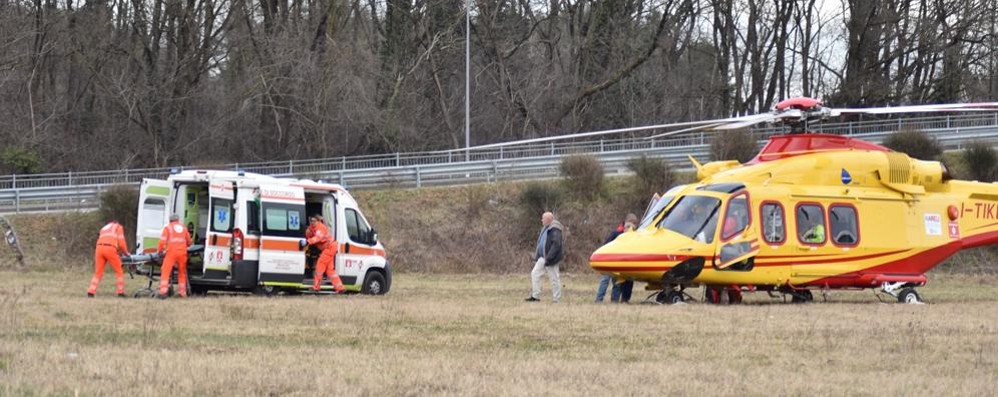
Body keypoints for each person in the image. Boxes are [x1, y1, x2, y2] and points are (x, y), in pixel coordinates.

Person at [596, 214, 637, 303]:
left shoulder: (631, 237)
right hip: (608, 262)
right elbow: (605, 246)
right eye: (629, 226)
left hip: (618, 264)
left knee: (617, 284)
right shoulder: (616, 234)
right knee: (605, 281)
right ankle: (599, 300)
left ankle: (614, 301)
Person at [526, 212, 564, 303]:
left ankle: (556, 299)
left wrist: (549, 257)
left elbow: (556, 245)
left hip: (551, 259)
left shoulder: (555, 230)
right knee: (535, 274)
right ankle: (535, 296)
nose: (541, 220)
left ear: (548, 219)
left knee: (554, 278)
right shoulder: (545, 228)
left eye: (543, 218)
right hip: (542, 258)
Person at [87, 220, 131, 297]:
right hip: (110, 248)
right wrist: (126, 253)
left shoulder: (103, 228)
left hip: (99, 249)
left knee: (98, 272)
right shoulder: (118, 227)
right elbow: (121, 243)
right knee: (119, 271)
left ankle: (91, 291)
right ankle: (120, 292)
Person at [305, 215, 345, 293]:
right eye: (311, 221)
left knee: (320, 266)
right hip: (329, 248)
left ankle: (316, 287)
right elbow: (308, 233)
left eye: (314, 221)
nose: (312, 223)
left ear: (318, 221)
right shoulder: (312, 228)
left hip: (329, 248)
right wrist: (307, 234)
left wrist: (308, 241)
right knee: (330, 270)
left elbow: (318, 238)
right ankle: (340, 288)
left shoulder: (321, 227)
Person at [158, 214, 193, 299]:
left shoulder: (168, 228)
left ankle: (163, 292)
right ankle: (182, 293)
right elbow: (189, 242)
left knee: (165, 271)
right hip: (182, 253)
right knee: (182, 273)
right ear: (178, 220)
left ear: (170, 220)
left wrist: (159, 251)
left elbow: (162, 242)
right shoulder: (184, 228)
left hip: (171, 252)